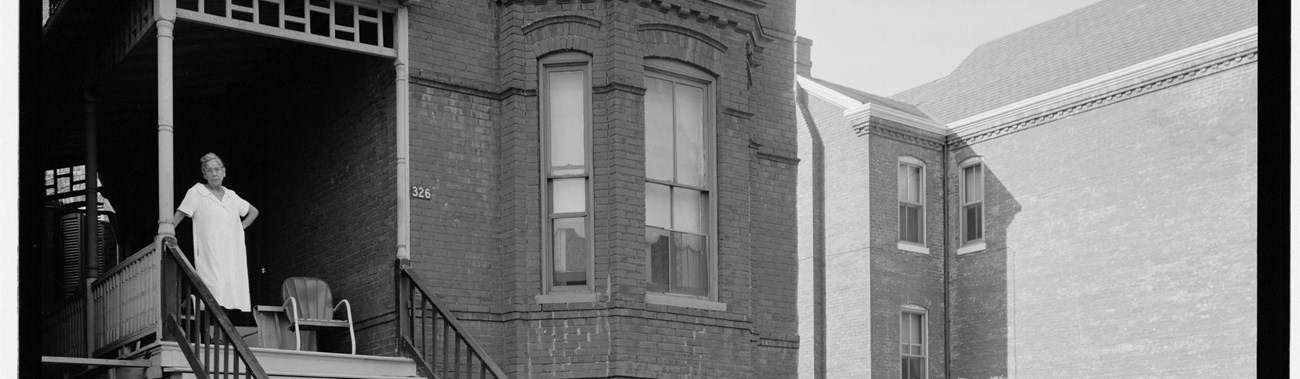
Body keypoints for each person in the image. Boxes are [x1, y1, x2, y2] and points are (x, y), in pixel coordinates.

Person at [173, 152, 259, 322]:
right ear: (204, 174)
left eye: (217, 170)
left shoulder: (231, 196)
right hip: (210, 253)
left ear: (224, 172)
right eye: (210, 171)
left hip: (231, 254)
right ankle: (200, 317)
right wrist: (164, 234)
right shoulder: (197, 192)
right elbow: (179, 215)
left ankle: (219, 336)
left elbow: (253, 212)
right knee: (212, 290)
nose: (214, 174)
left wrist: (240, 228)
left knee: (228, 293)